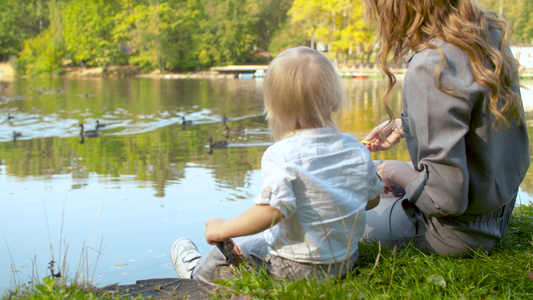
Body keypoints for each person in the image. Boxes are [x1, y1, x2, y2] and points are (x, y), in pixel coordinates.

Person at [171, 46, 383, 281]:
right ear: (334, 102)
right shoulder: (355, 148)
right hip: (344, 262)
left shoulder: (281, 154)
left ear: (275, 110)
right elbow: (372, 200)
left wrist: (222, 228)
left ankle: (195, 275)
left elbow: (271, 211)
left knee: (234, 248)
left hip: (292, 269)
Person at [361, 0, 530, 255]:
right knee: (366, 175)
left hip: (454, 233)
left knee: (335, 217)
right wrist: (405, 124)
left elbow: (445, 200)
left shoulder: (431, 63)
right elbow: (473, 120)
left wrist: (396, 171)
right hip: (499, 214)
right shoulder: (485, 31)